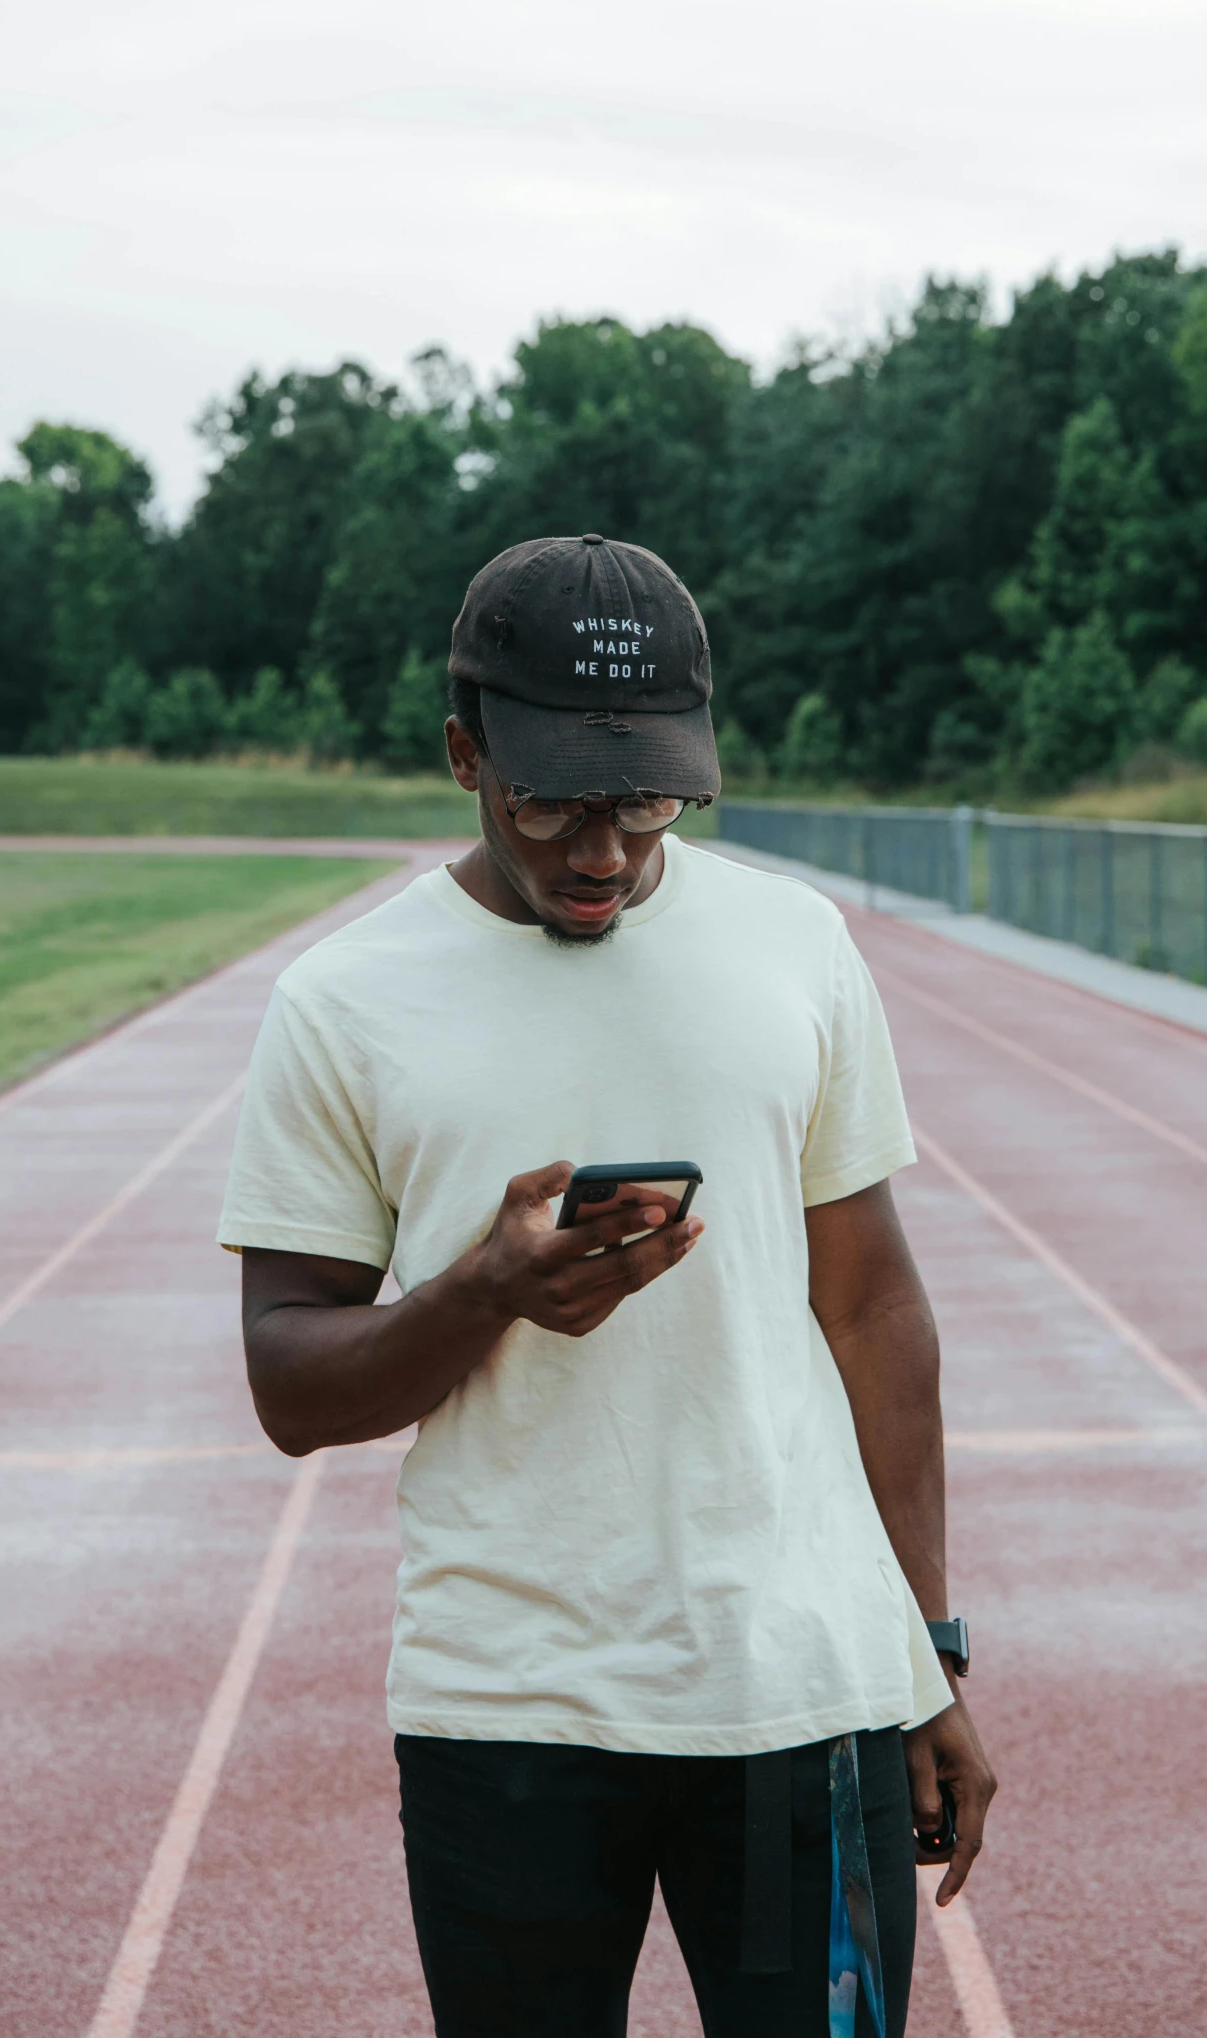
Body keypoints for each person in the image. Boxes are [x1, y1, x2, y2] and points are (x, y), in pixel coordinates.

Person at [222, 532, 996, 2038]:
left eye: (647, 802)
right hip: (507, 1707)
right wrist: (484, 1293)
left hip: (799, 1692)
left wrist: (927, 1650)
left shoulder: (795, 944)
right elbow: (288, 1381)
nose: (604, 852)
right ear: (463, 752)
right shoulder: (343, 1000)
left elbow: (875, 1311)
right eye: (554, 800)